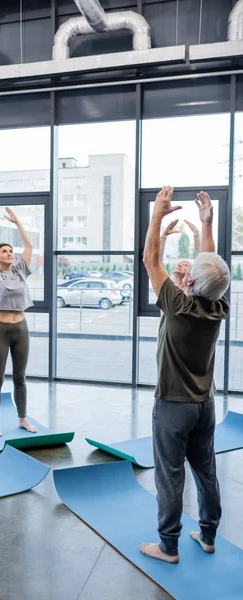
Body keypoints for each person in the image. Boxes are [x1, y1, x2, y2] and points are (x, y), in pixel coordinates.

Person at [140, 187, 230, 563]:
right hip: (204, 406)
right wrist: (207, 225)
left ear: (190, 283)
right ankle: (207, 535)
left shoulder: (176, 304)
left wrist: (156, 216)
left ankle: (168, 545)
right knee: (206, 472)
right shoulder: (219, 304)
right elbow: (210, 266)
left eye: (189, 273)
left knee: (170, 477)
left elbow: (150, 259)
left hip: (173, 407)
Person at [0, 207, 37, 438]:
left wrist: (17, 222)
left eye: (11, 250)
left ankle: (22, 418)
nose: (10, 253)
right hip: (0, 329)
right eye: (5, 251)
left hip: (21, 328)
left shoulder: (20, 270)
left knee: (20, 378)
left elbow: (29, 247)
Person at [160, 218, 200, 290]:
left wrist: (196, 235)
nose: (180, 265)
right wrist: (163, 236)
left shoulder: (193, 290)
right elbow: (159, 263)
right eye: (179, 265)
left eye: (185, 265)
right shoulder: (167, 287)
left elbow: (201, 263)